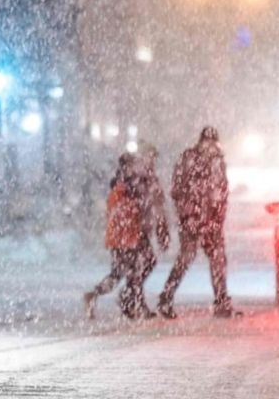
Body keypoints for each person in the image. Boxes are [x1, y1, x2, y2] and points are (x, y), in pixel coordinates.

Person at [158, 126, 238, 319]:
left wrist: (217, 217)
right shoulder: (189, 159)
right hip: (192, 220)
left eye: (212, 143)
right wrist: (188, 215)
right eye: (207, 142)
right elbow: (177, 190)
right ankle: (166, 298)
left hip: (210, 221)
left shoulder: (218, 162)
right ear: (201, 142)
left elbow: (222, 192)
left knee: (217, 260)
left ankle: (221, 301)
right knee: (186, 259)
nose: (210, 146)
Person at [85, 152, 166, 319]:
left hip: (124, 237)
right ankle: (130, 304)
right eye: (131, 165)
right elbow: (129, 211)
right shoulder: (124, 188)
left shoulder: (124, 185)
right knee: (132, 273)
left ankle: (103, 296)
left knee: (124, 273)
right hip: (126, 238)